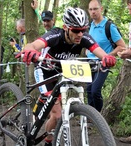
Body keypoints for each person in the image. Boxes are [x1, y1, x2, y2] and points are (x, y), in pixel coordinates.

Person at [16, 7, 116, 146]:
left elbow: (100, 52)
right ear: (66, 28)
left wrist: (107, 58)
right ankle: (38, 114)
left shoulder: (84, 38)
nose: (80, 34)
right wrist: (30, 51)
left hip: (60, 73)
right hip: (44, 71)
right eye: (75, 30)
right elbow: (32, 45)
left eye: (83, 30)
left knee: (55, 113)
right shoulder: (55, 35)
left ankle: (47, 141)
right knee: (57, 114)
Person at [86, 0, 126, 112]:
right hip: (89, 62)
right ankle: (90, 118)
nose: (93, 12)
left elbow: (122, 46)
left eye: (95, 9)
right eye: (91, 9)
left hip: (103, 63)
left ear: (101, 9)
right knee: (88, 90)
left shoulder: (109, 26)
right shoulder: (90, 26)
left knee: (95, 91)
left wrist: (107, 55)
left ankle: (98, 117)